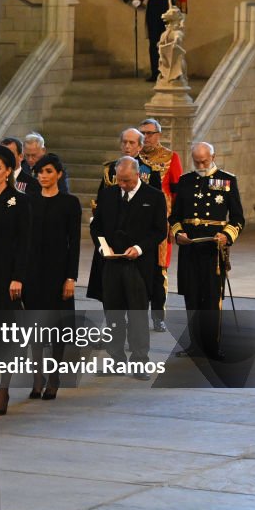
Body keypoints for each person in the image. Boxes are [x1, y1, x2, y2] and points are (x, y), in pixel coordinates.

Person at [90, 157, 168, 379]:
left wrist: (139, 248)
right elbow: (96, 227)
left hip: (137, 265)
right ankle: (117, 359)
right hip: (112, 263)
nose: (122, 185)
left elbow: (159, 231)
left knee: (137, 315)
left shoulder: (154, 197)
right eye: (119, 180)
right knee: (113, 313)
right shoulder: (108, 194)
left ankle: (140, 361)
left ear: (137, 175)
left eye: (126, 180)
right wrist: (102, 246)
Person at [169, 142, 244, 358]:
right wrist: (177, 233)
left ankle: (212, 346)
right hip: (190, 247)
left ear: (213, 156)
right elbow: (174, 216)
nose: (201, 164)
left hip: (213, 248)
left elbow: (238, 218)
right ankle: (194, 344)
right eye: (197, 161)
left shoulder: (227, 180)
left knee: (211, 299)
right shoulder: (185, 181)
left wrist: (227, 235)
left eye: (205, 160)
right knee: (191, 297)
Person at [0, 145, 33, 413]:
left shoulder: (18, 200)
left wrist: (18, 277)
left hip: (7, 276)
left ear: (9, 170)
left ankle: (4, 389)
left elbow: (24, 243)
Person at [25, 154, 81, 399]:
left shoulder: (70, 203)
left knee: (58, 328)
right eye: (39, 172)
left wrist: (71, 277)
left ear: (58, 174)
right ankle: (38, 378)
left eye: (48, 171)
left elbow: (75, 243)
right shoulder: (29, 201)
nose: (43, 176)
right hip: (32, 272)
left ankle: (54, 377)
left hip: (59, 272)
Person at [85, 128, 161, 304]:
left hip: (137, 249)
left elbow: (157, 219)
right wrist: (103, 244)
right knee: (111, 306)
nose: (127, 146)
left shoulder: (149, 171)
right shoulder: (109, 169)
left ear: (140, 146)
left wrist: (140, 247)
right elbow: (100, 206)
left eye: (131, 142)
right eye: (124, 142)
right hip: (112, 245)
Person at [138, 118, 182, 332]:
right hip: (137, 223)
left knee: (159, 270)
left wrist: (175, 225)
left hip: (161, 223)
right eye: (143, 133)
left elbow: (177, 193)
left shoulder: (171, 158)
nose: (146, 137)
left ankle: (158, 316)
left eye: (149, 133)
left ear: (159, 134)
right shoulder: (133, 158)